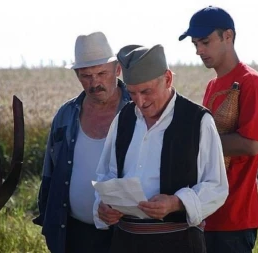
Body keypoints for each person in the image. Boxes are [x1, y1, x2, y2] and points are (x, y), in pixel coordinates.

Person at [93, 44, 229, 253]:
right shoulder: (124, 119)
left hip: (178, 243)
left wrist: (176, 202)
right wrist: (103, 206)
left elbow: (216, 186)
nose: (140, 101)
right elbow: (107, 174)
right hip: (125, 243)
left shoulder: (197, 120)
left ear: (167, 79)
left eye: (146, 91)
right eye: (133, 93)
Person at [179, 6, 258, 253]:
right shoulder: (212, 85)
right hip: (207, 212)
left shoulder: (252, 82)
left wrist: (194, 141)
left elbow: (251, 144)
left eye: (205, 42)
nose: (199, 50)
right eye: (195, 44)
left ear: (228, 36)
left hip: (236, 218)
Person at [33, 31, 131, 253]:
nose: (95, 82)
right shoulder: (66, 114)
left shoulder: (136, 111)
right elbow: (49, 171)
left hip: (126, 234)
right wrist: (47, 221)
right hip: (73, 233)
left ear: (117, 70)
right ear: (77, 74)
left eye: (101, 73)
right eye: (86, 75)